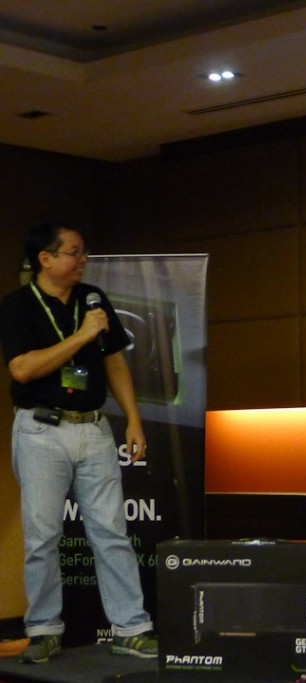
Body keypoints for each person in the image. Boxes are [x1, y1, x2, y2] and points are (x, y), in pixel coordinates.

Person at [0, 222, 157, 663]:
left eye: (83, 252)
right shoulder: (18, 306)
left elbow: (114, 362)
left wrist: (133, 420)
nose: (83, 260)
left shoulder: (93, 299)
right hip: (41, 430)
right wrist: (83, 335)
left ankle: (131, 627)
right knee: (42, 535)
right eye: (74, 252)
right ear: (45, 259)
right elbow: (22, 369)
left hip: (94, 429)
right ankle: (44, 629)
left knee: (112, 531)